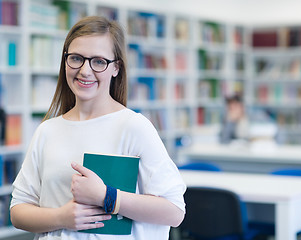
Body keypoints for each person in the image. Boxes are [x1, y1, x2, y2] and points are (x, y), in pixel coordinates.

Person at [10, 16, 186, 240]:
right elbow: (18, 211)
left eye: (99, 61)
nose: (85, 70)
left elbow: (174, 212)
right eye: (76, 58)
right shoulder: (47, 131)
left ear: (116, 68)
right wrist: (62, 218)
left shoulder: (134, 127)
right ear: (65, 61)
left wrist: (107, 196)